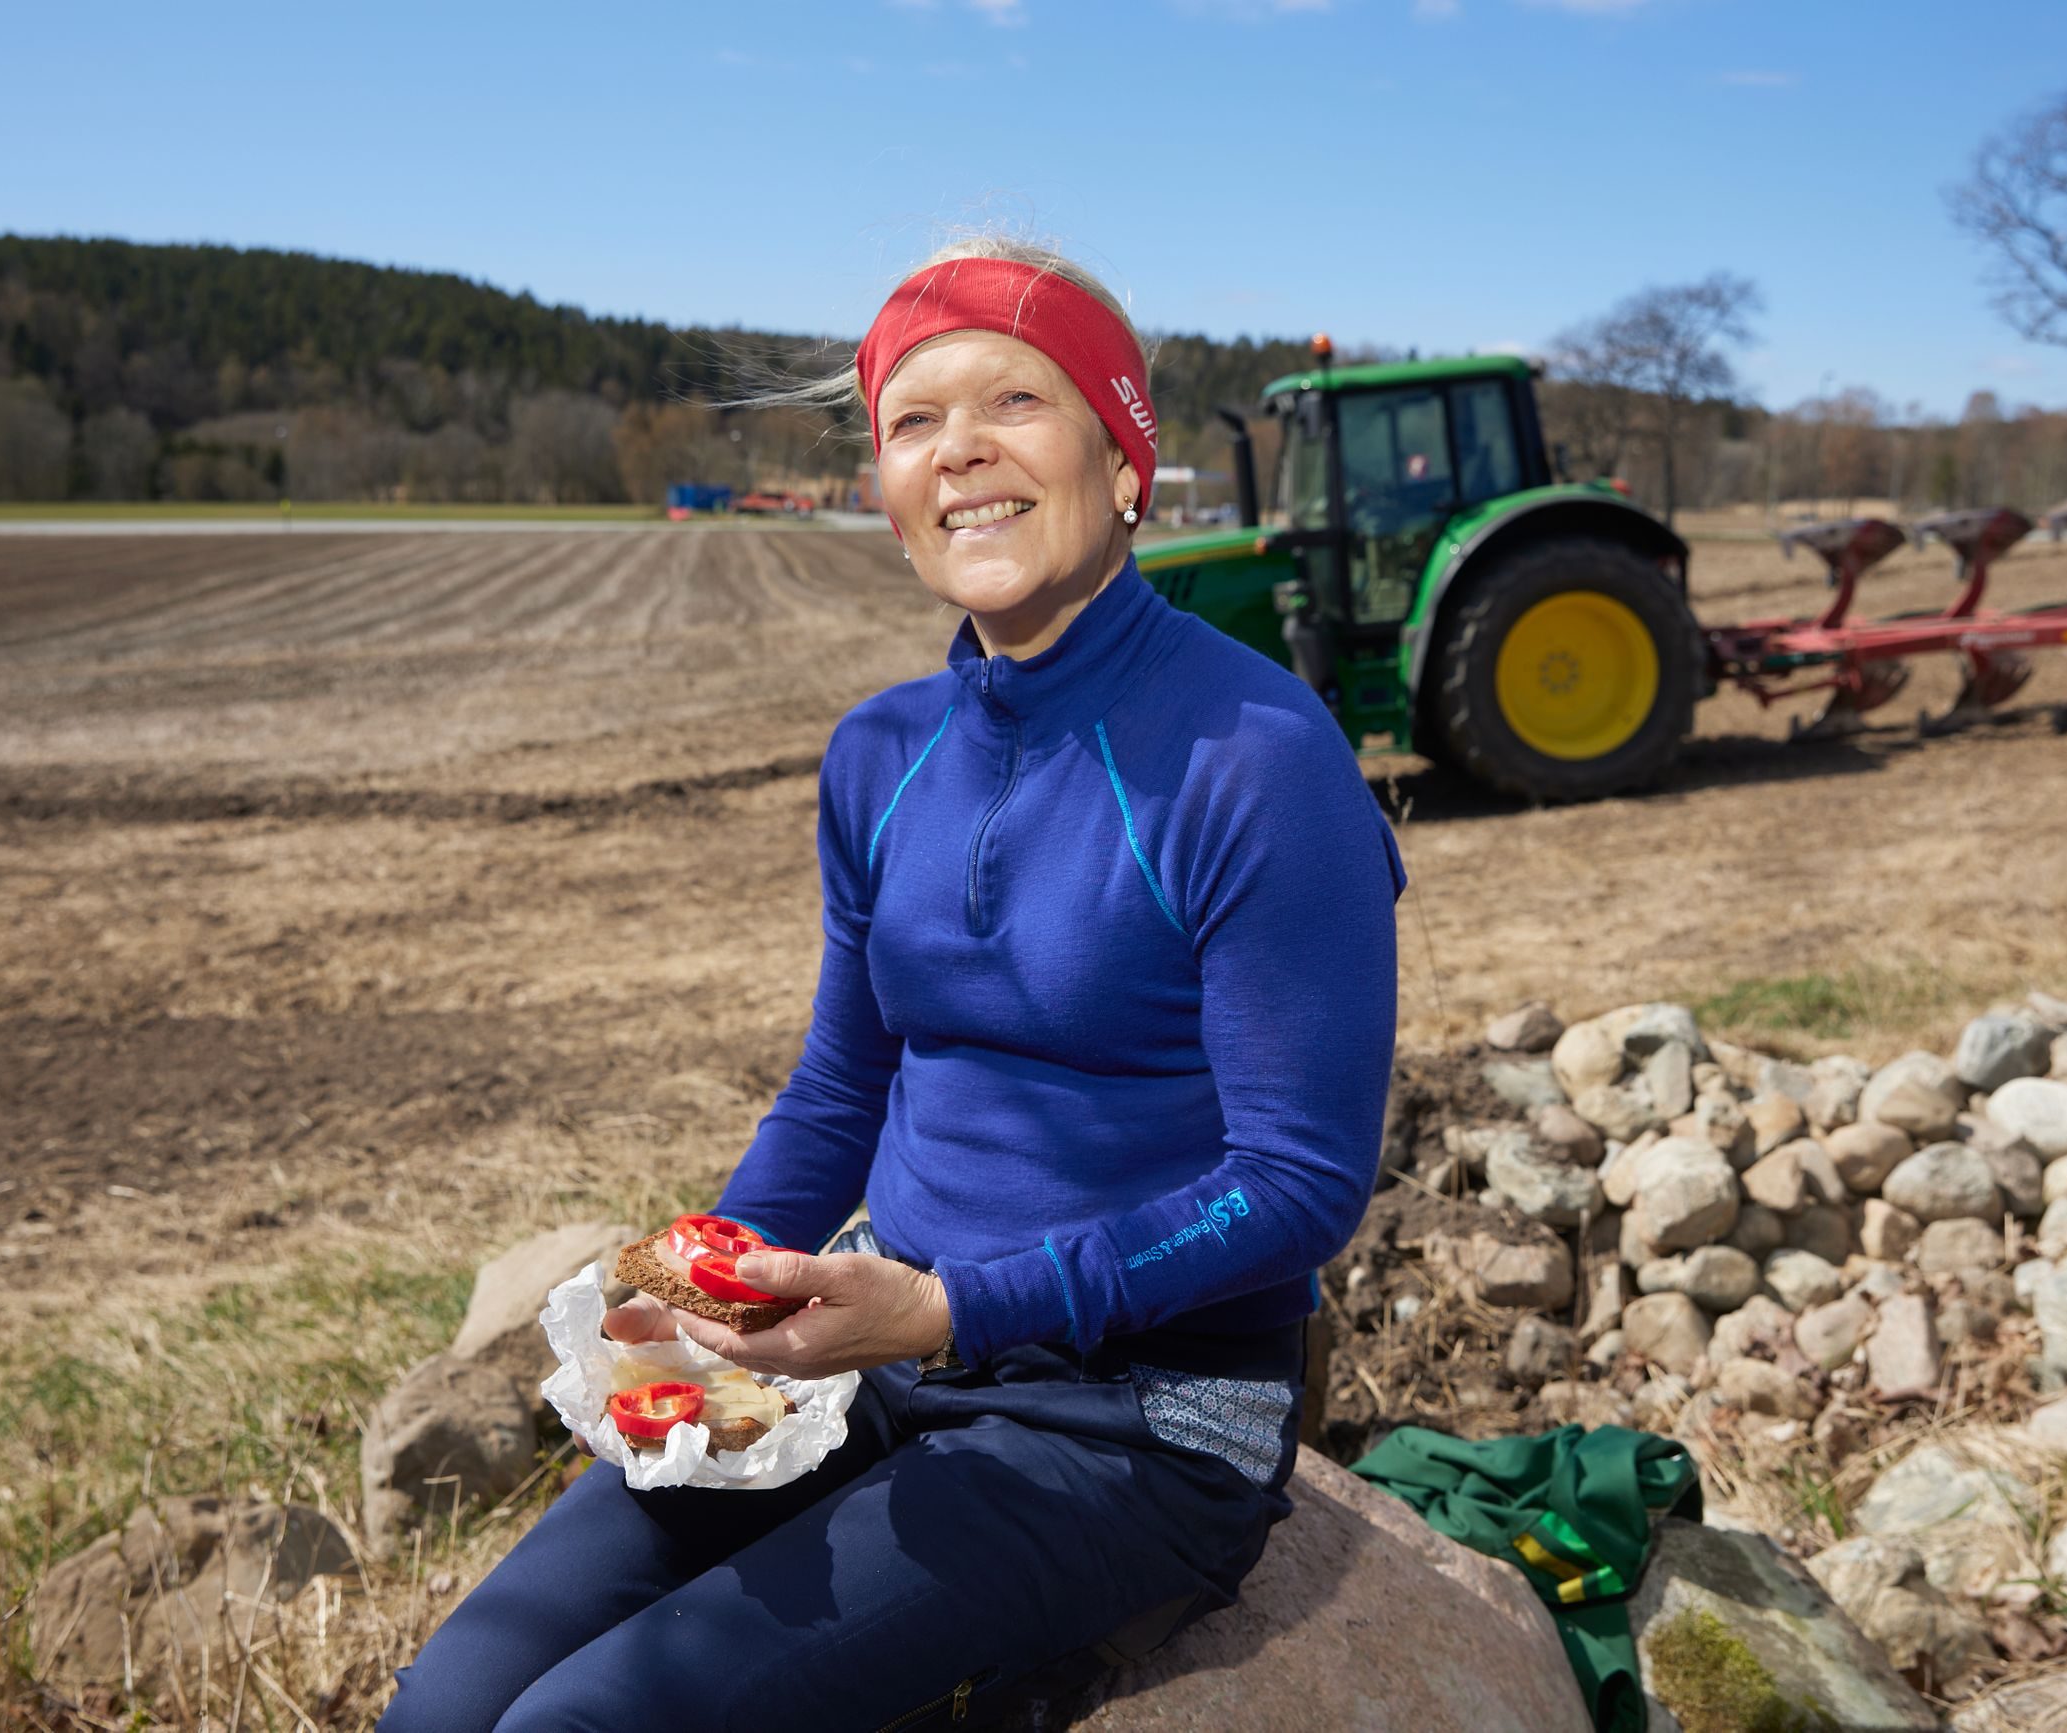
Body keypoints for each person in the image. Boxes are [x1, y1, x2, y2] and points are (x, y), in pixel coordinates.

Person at [380, 237, 1406, 1732]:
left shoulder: (1259, 756)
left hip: (1139, 1416)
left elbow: (1302, 1181)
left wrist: (946, 1306)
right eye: (914, 421)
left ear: (1125, 462)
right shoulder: (879, 753)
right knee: (446, 1704)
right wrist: (695, 1283)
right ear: (888, 489)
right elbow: (843, 1084)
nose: (962, 450)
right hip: (879, 1359)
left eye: (1018, 402)